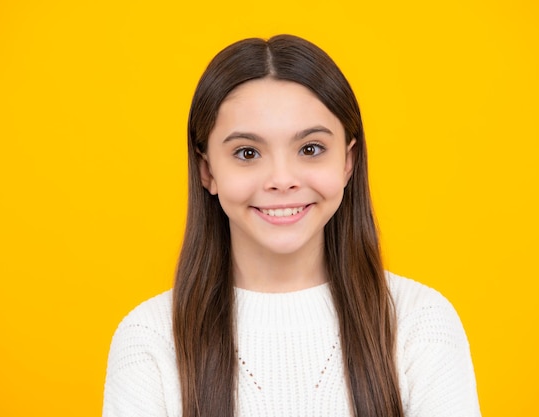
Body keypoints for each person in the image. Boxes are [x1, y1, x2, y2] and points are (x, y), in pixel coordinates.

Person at [102, 34, 481, 417]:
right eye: (247, 153)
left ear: (347, 162)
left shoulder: (421, 324)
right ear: (207, 170)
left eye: (310, 149)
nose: (282, 179)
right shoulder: (148, 341)